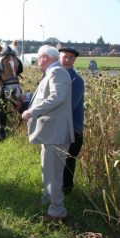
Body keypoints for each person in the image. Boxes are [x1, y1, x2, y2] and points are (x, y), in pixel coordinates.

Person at [22, 45, 74, 222]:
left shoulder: (56, 72)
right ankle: (49, 201)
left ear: (44, 57)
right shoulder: (54, 72)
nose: (37, 62)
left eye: (38, 58)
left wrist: (32, 111)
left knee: (53, 173)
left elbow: (57, 97)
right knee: (49, 170)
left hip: (56, 133)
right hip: (52, 132)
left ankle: (57, 212)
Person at [59, 47, 84, 195]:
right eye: (65, 57)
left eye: (71, 57)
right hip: (58, 126)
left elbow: (70, 105)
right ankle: (57, 188)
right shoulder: (52, 76)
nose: (67, 59)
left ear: (74, 60)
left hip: (73, 128)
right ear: (59, 58)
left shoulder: (76, 80)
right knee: (57, 161)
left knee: (69, 161)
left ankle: (66, 190)